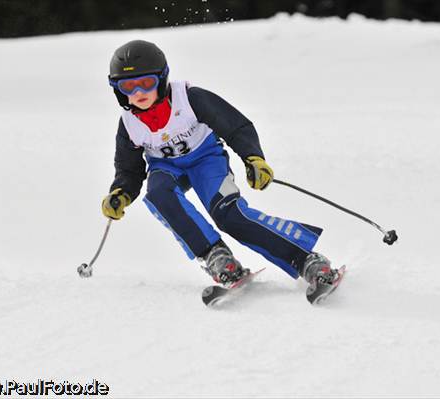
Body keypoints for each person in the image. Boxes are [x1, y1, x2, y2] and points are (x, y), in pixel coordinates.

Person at [102, 39, 340, 292]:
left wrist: (253, 158)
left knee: (229, 215)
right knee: (158, 194)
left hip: (207, 161)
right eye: (128, 86)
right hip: (166, 168)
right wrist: (122, 193)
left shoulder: (190, 98)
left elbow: (235, 126)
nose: (138, 92)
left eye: (146, 83)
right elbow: (129, 169)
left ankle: (305, 258)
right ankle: (216, 256)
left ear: (161, 79)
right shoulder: (129, 124)